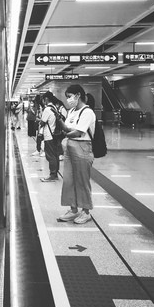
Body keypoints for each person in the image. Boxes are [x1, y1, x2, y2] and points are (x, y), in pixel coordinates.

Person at [57, 84, 96, 224]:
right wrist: (63, 126)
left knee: (82, 181)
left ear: (78, 95)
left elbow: (78, 132)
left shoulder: (87, 112)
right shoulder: (72, 111)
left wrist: (66, 132)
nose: (68, 100)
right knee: (68, 180)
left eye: (70, 96)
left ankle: (86, 212)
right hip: (69, 147)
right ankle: (73, 209)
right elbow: (67, 128)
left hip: (82, 147)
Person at [38, 91, 62, 181]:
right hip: (55, 135)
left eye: (43, 99)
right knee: (55, 155)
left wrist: (39, 120)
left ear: (46, 99)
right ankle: (55, 174)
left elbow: (42, 122)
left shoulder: (47, 109)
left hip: (49, 135)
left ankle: (52, 175)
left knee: (50, 156)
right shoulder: (54, 107)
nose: (43, 101)